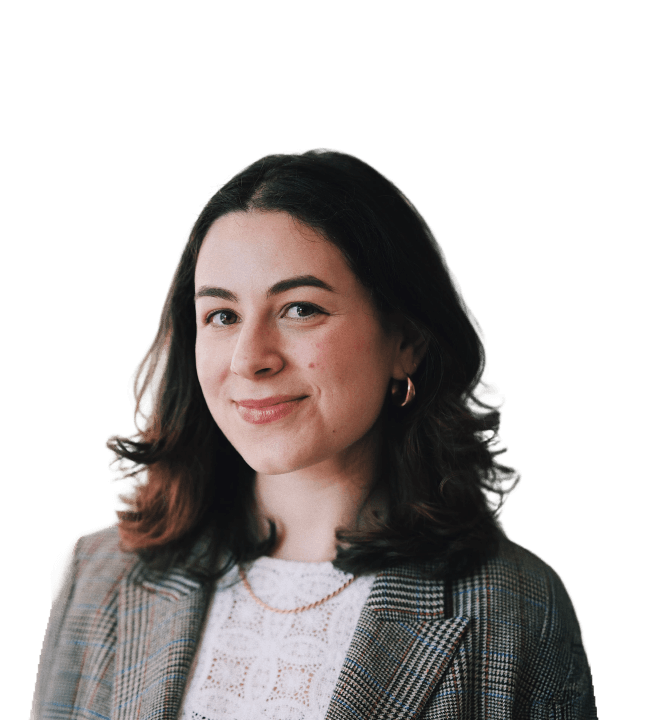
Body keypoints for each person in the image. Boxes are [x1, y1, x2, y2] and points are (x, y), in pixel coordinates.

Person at [30, 148, 598, 719]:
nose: (249, 359)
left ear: (406, 342)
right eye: (222, 316)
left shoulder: (516, 608)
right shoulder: (98, 573)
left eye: (300, 309)